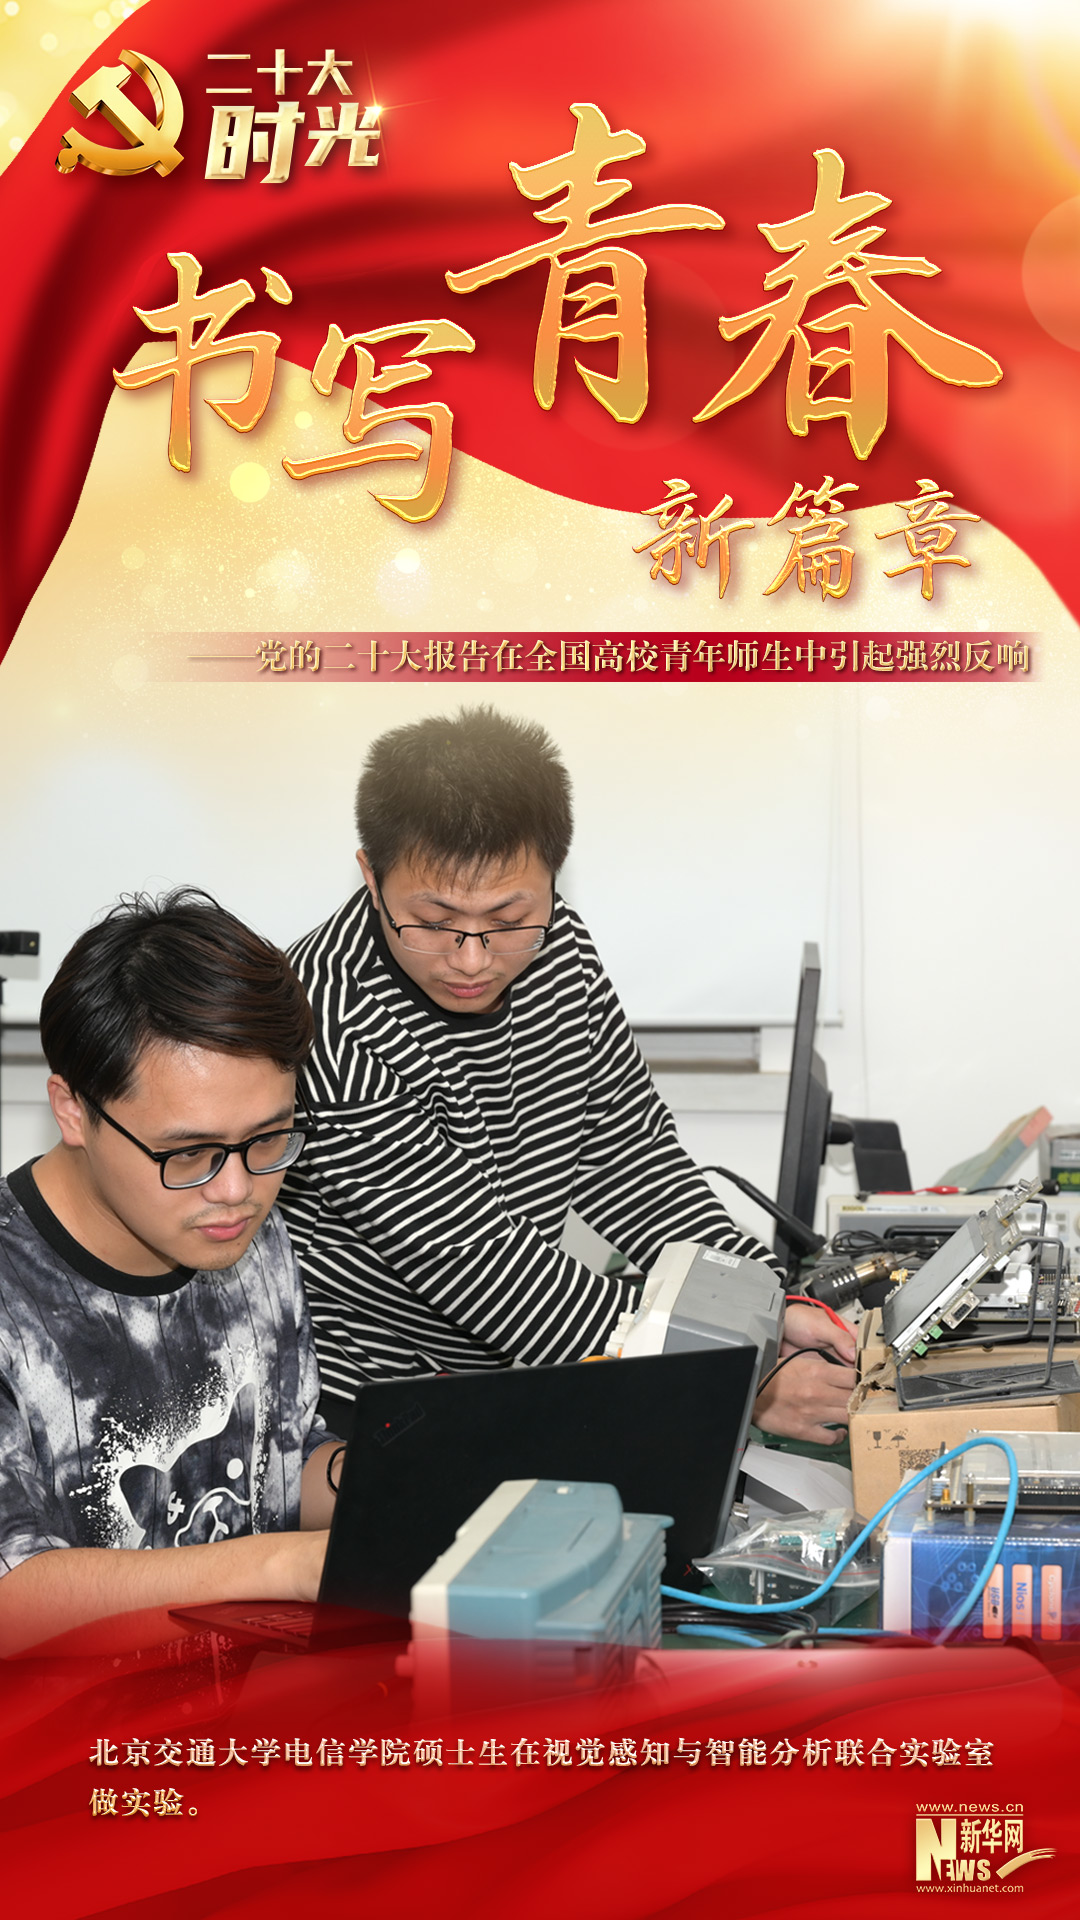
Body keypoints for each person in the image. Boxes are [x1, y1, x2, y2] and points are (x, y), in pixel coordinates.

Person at [281, 708, 855, 1443]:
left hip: (506, 1374)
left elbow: (634, 1165)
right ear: (371, 874)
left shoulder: (562, 952)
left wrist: (765, 1301)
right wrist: (736, 1371)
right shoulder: (326, 1018)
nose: (472, 959)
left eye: (507, 919)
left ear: (553, 880)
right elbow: (478, 1263)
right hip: (370, 1405)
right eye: (434, 922)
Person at [0, 891, 337, 1655]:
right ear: (73, 1110)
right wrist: (280, 1566)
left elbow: (282, 1461)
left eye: (270, 1138)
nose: (237, 1190)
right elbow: (12, 1597)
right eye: (188, 1153)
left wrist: (413, 1486)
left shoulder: (249, 1233)